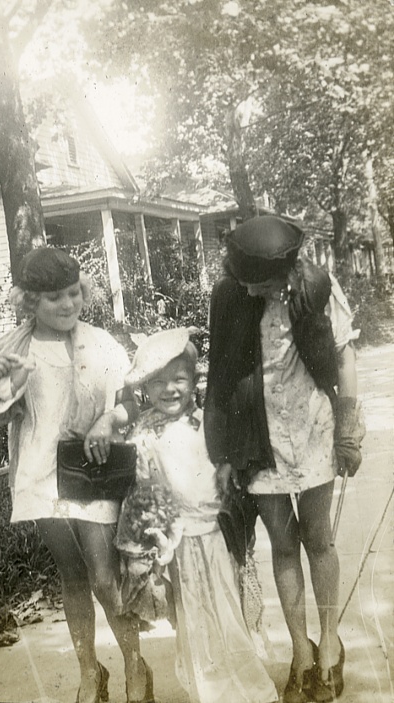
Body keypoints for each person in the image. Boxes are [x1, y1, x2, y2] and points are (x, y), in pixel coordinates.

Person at [0, 247, 154, 703]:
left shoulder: (101, 342)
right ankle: (90, 671)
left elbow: (132, 402)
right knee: (71, 575)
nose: (67, 305)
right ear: (30, 302)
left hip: (92, 471)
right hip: (41, 475)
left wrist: (108, 420)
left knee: (104, 577)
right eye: (53, 298)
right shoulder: (15, 350)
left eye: (73, 293)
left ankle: (134, 664)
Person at [204, 216, 365, 703]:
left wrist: (349, 424)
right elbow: (220, 375)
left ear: (287, 269)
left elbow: (344, 355)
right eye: (246, 281)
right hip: (258, 435)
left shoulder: (316, 286)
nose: (253, 291)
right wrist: (224, 452)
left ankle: (330, 642)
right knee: (282, 544)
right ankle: (300, 650)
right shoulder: (230, 295)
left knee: (318, 536)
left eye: (262, 282)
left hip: (313, 427)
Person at [116, 328, 279, 703]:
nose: (170, 390)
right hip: (179, 542)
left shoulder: (209, 422)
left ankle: (249, 686)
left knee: (230, 610)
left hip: (217, 534)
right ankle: (211, 690)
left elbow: (228, 471)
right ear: (144, 388)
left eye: (179, 379)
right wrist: (151, 549)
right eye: (158, 383)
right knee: (193, 618)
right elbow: (144, 491)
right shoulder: (144, 434)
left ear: (194, 380)